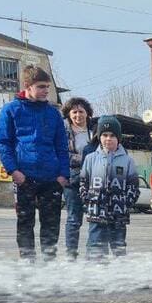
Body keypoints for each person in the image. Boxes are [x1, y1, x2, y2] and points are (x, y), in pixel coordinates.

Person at [0, 65, 69, 261]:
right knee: (25, 223)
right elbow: (3, 143)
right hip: (24, 178)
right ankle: (28, 263)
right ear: (28, 86)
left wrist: (63, 175)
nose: (46, 91)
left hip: (51, 178)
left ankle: (48, 263)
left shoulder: (53, 114)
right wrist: (13, 171)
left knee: (51, 225)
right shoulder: (11, 110)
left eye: (48, 86)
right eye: (41, 86)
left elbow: (62, 146)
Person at [78, 115, 139, 260]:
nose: (108, 139)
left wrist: (126, 202)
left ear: (118, 138)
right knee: (95, 247)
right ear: (99, 136)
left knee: (118, 247)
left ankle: (119, 275)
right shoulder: (91, 158)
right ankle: (95, 274)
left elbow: (134, 186)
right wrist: (88, 200)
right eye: (104, 135)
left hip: (118, 214)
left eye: (112, 135)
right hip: (96, 213)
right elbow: (83, 183)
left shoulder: (127, 160)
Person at [61, 97, 95, 259]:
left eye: (81, 111)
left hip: (93, 180)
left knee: (95, 217)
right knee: (74, 219)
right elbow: (62, 154)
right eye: (74, 112)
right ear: (68, 114)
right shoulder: (63, 131)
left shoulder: (95, 132)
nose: (78, 115)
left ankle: (93, 252)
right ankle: (71, 254)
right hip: (72, 179)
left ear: (87, 113)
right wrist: (85, 159)